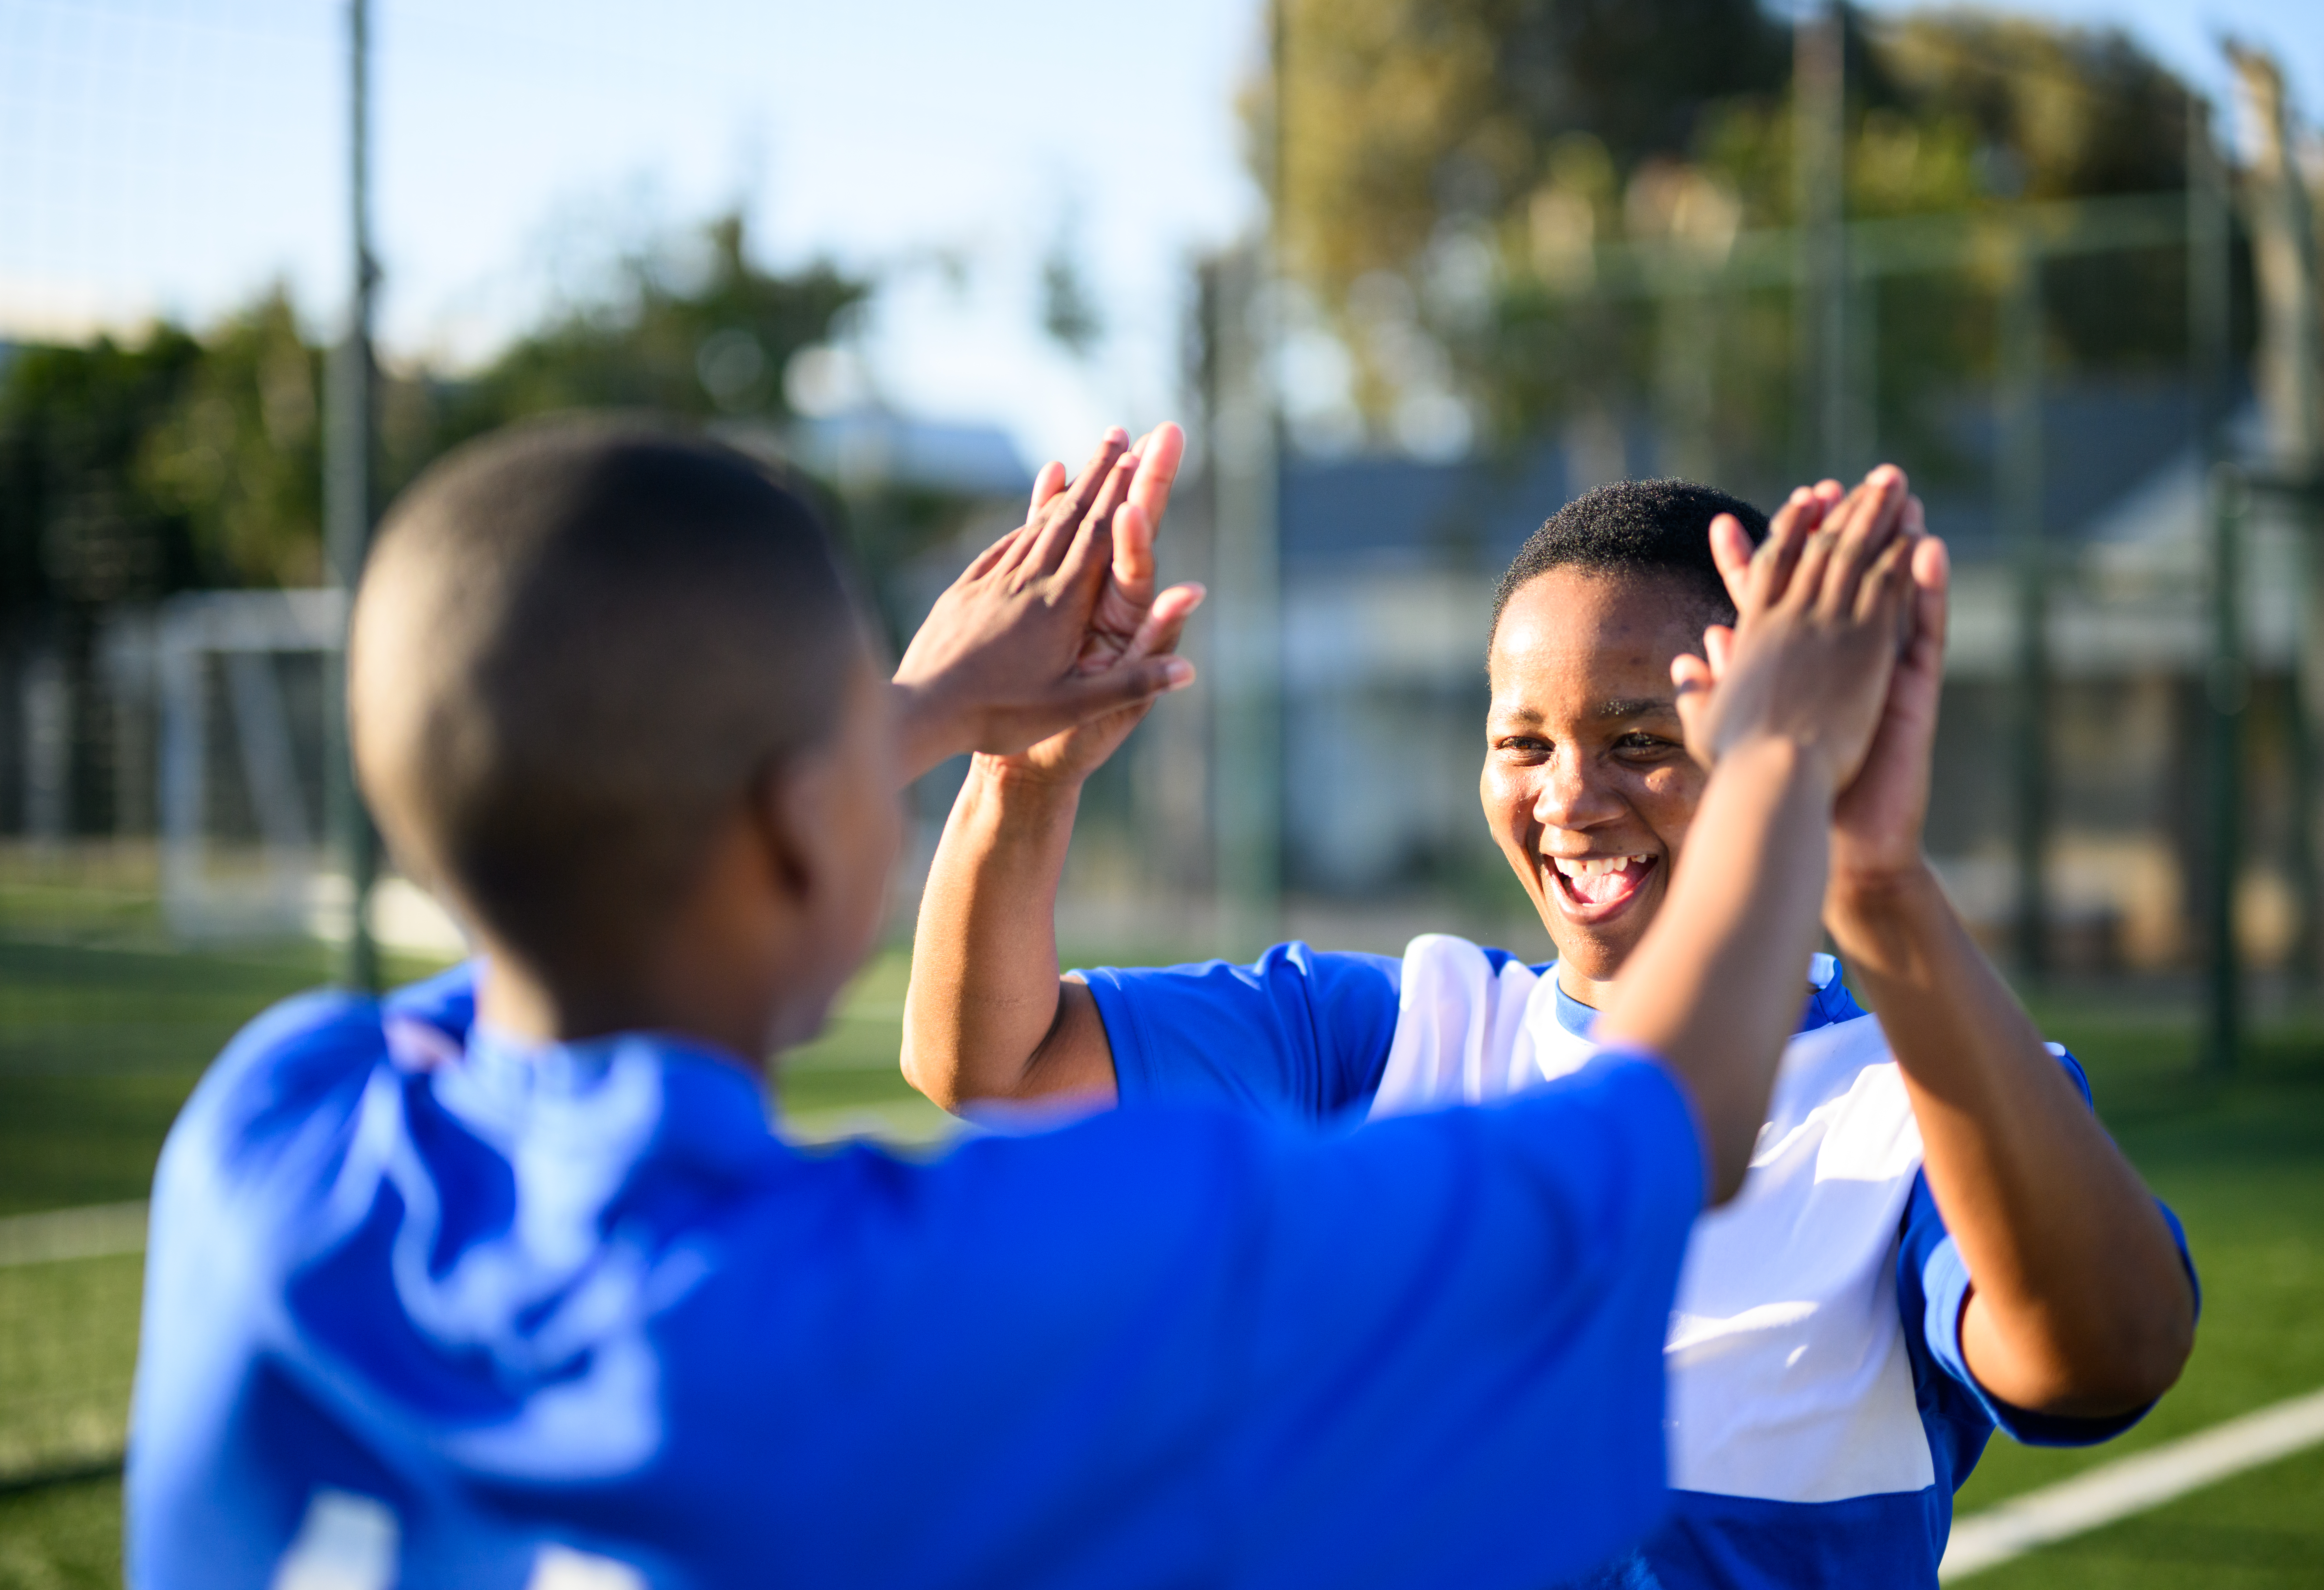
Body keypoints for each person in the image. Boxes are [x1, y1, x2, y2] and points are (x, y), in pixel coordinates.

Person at [127, 415, 1917, 1589]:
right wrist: (1769, 767)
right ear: (806, 827)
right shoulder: (983, 1287)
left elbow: (597, 876)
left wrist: (888, 726)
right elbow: (1657, 1132)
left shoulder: (266, 1133)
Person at [904, 467, 2201, 1589]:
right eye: (1520, 741)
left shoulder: (1921, 1081)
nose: (1570, 796)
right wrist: (1023, 771)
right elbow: (993, 1063)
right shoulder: (1389, 1028)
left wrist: (1874, 885)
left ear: (1785, 744)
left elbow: (2105, 1358)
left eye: (1643, 739)